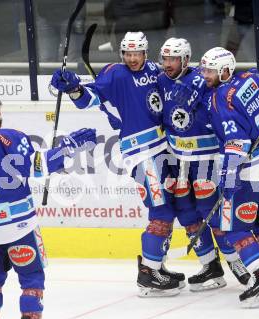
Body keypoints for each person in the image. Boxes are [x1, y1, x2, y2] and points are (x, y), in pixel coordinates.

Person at [0, 93, 97, 319]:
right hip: (18, 225)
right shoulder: (10, 137)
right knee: (31, 276)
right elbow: (38, 167)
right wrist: (67, 148)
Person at [51, 32, 184, 297]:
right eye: (127, 53)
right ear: (122, 54)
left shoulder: (157, 71)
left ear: (146, 53)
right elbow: (89, 98)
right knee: (161, 212)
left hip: (164, 149)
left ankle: (157, 265)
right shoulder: (115, 74)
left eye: (137, 53)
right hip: (140, 153)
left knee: (168, 208)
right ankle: (148, 274)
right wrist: (74, 88)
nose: (132, 59)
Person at [177, 47, 259, 307]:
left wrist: (228, 176)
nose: (205, 75)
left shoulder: (221, 99)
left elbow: (236, 142)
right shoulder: (251, 79)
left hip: (248, 172)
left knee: (234, 228)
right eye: (203, 69)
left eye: (210, 70)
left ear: (225, 70)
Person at [158, 37, 250, 290]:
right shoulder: (160, 79)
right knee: (187, 213)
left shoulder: (203, 79)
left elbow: (221, 101)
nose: (169, 63)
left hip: (205, 158)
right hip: (176, 158)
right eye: (165, 58)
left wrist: (198, 92)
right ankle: (210, 266)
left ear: (186, 59)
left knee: (213, 212)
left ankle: (236, 262)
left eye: (174, 59)